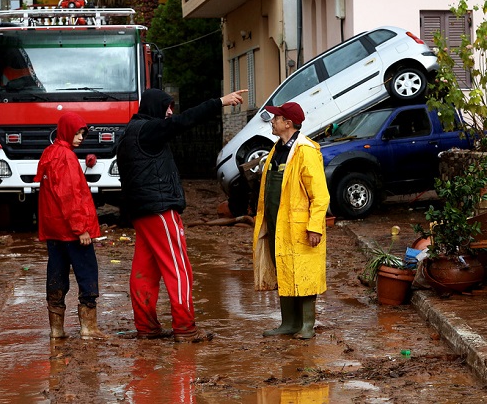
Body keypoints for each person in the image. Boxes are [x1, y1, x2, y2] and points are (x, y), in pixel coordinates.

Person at [116, 87, 247, 343]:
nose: (169, 112)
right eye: (166, 106)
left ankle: (146, 327)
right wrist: (219, 101)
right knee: (179, 268)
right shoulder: (149, 130)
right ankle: (185, 328)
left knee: (145, 269)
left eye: (171, 108)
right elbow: (184, 121)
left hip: (140, 212)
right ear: (155, 107)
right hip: (160, 210)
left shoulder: (129, 133)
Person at [252, 102, 330, 339]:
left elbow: (320, 195)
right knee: (283, 268)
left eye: (276, 118)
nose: (272, 122)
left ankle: (306, 325)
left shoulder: (306, 150)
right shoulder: (278, 148)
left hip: (300, 226)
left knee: (304, 272)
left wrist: (315, 227)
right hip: (278, 223)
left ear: (288, 123)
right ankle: (289, 323)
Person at [35, 112, 105, 340]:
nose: (80, 137)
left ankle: (56, 330)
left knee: (56, 277)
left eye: (82, 133)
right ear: (66, 131)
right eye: (76, 132)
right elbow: (69, 197)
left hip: (54, 231)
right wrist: (81, 228)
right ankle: (89, 328)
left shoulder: (49, 153)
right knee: (87, 275)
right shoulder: (66, 157)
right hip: (72, 232)